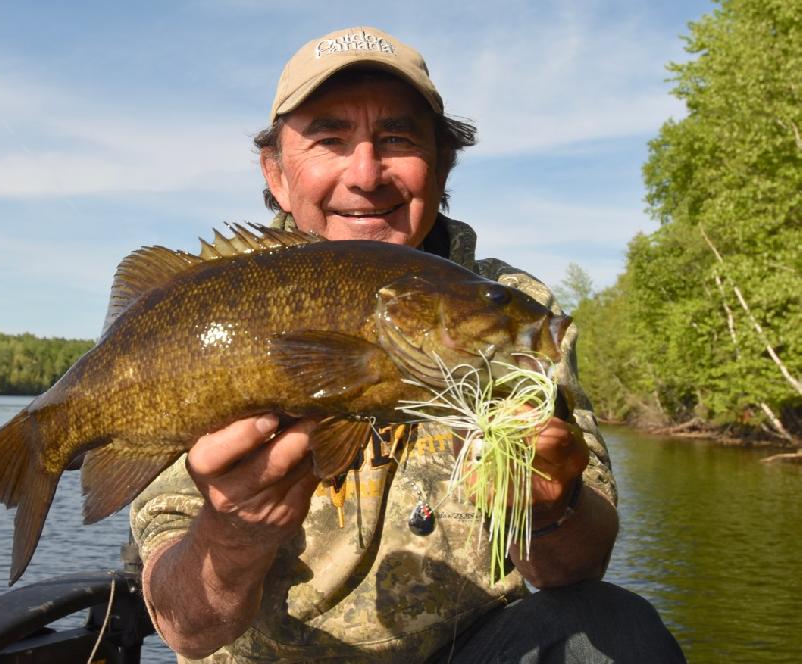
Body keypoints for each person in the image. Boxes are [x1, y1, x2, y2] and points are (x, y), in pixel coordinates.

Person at [130, 26, 685, 663]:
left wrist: (550, 508)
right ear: (275, 173)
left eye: (396, 138)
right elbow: (186, 629)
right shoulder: (205, 316)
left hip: (472, 648)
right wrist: (229, 539)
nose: (365, 175)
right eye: (329, 140)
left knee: (611, 628)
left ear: (443, 165)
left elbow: (575, 567)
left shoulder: (508, 309)